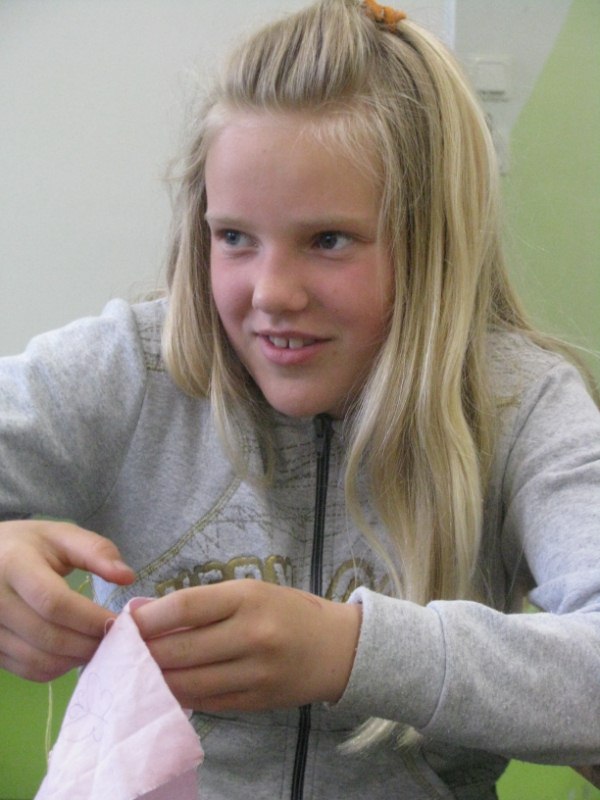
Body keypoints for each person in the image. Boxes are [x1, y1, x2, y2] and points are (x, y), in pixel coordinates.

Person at [1, 0, 599, 797]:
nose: (271, 294)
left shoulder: (520, 403)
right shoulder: (127, 370)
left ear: (433, 243)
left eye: (328, 240)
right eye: (234, 237)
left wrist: (347, 650)